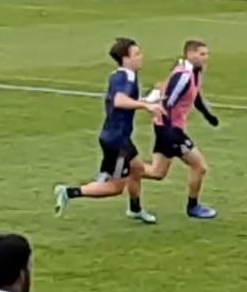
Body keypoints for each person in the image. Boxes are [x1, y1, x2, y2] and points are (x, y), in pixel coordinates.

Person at [53, 38, 165, 223]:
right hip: (117, 141)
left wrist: (151, 98)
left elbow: (124, 101)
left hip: (119, 138)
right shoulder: (125, 77)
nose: (141, 57)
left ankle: (135, 209)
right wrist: (147, 106)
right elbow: (120, 101)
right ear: (125, 59)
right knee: (115, 188)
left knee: (136, 169)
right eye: (136, 54)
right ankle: (68, 192)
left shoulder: (126, 75)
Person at [149, 40, 220, 220]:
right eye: (202, 54)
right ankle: (193, 207)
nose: (206, 58)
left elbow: (196, 96)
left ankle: (125, 170)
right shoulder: (184, 75)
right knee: (200, 167)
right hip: (170, 129)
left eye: (207, 54)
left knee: (157, 173)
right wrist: (171, 132)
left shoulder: (195, 73)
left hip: (166, 127)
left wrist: (208, 115)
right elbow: (167, 102)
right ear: (191, 54)